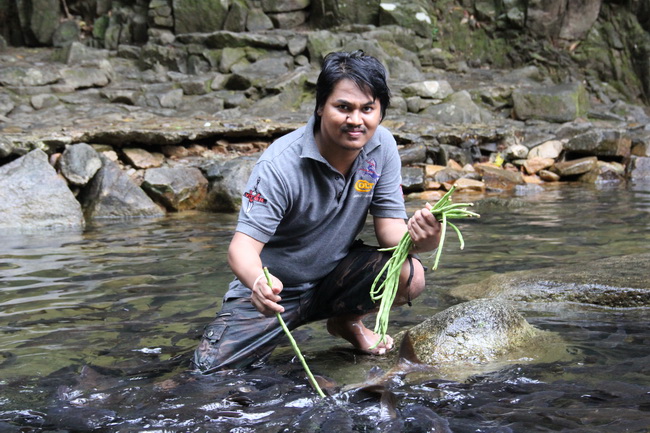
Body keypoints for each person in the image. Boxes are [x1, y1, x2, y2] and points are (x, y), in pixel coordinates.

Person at [193, 50, 441, 373]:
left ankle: (346, 322)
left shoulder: (382, 148)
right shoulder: (280, 165)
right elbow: (241, 248)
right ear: (321, 106)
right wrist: (258, 283)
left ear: (380, 112)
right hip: (274, 293)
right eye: (344, 107)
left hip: (333, 279)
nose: (356, 120)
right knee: (207, 371)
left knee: (411, 275)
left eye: (368, 109)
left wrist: (426, 239)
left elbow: (390, 232)